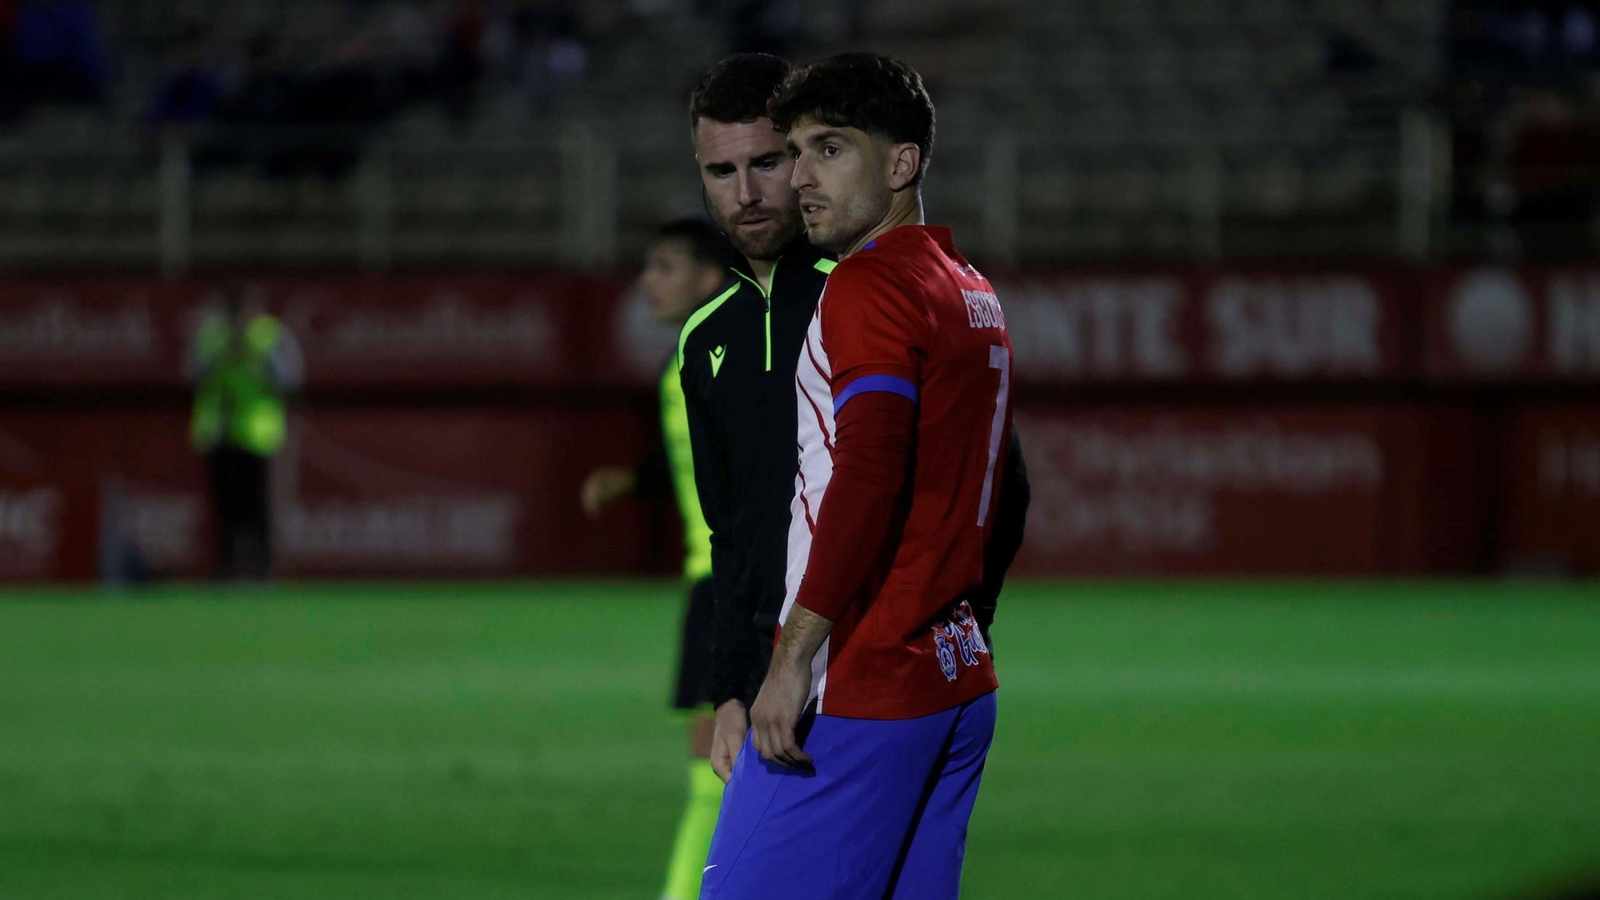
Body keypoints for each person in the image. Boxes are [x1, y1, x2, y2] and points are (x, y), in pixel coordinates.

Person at [700, 53, 1023, 899]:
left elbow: (869, 472)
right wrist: (959, 620)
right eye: (797, 150)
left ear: (902, 163)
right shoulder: (968, 289)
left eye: (830, 149)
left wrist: (789, 660)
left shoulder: (868, 287)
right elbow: (1004, 489)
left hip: (863, 686)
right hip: (956, 678)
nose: (800, 178)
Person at [577, 218, 733, 900]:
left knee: (713, 767)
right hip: (721, 580)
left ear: (708, 277)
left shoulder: (721, 348)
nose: (649, 279)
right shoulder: (693, 352)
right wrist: (636, 478)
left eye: (666, 266)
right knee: (736, 762)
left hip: (730, 583)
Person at [188, 286, 302, 581]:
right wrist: (222, 357)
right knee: (226, 508)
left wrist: (255, 359)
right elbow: (193, 377)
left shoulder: (268, 337)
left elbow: (290, 379)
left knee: (259, 508)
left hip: (257, 437)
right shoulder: (213, 338)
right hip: (220, 435)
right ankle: (227, 569)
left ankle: (262, 570)